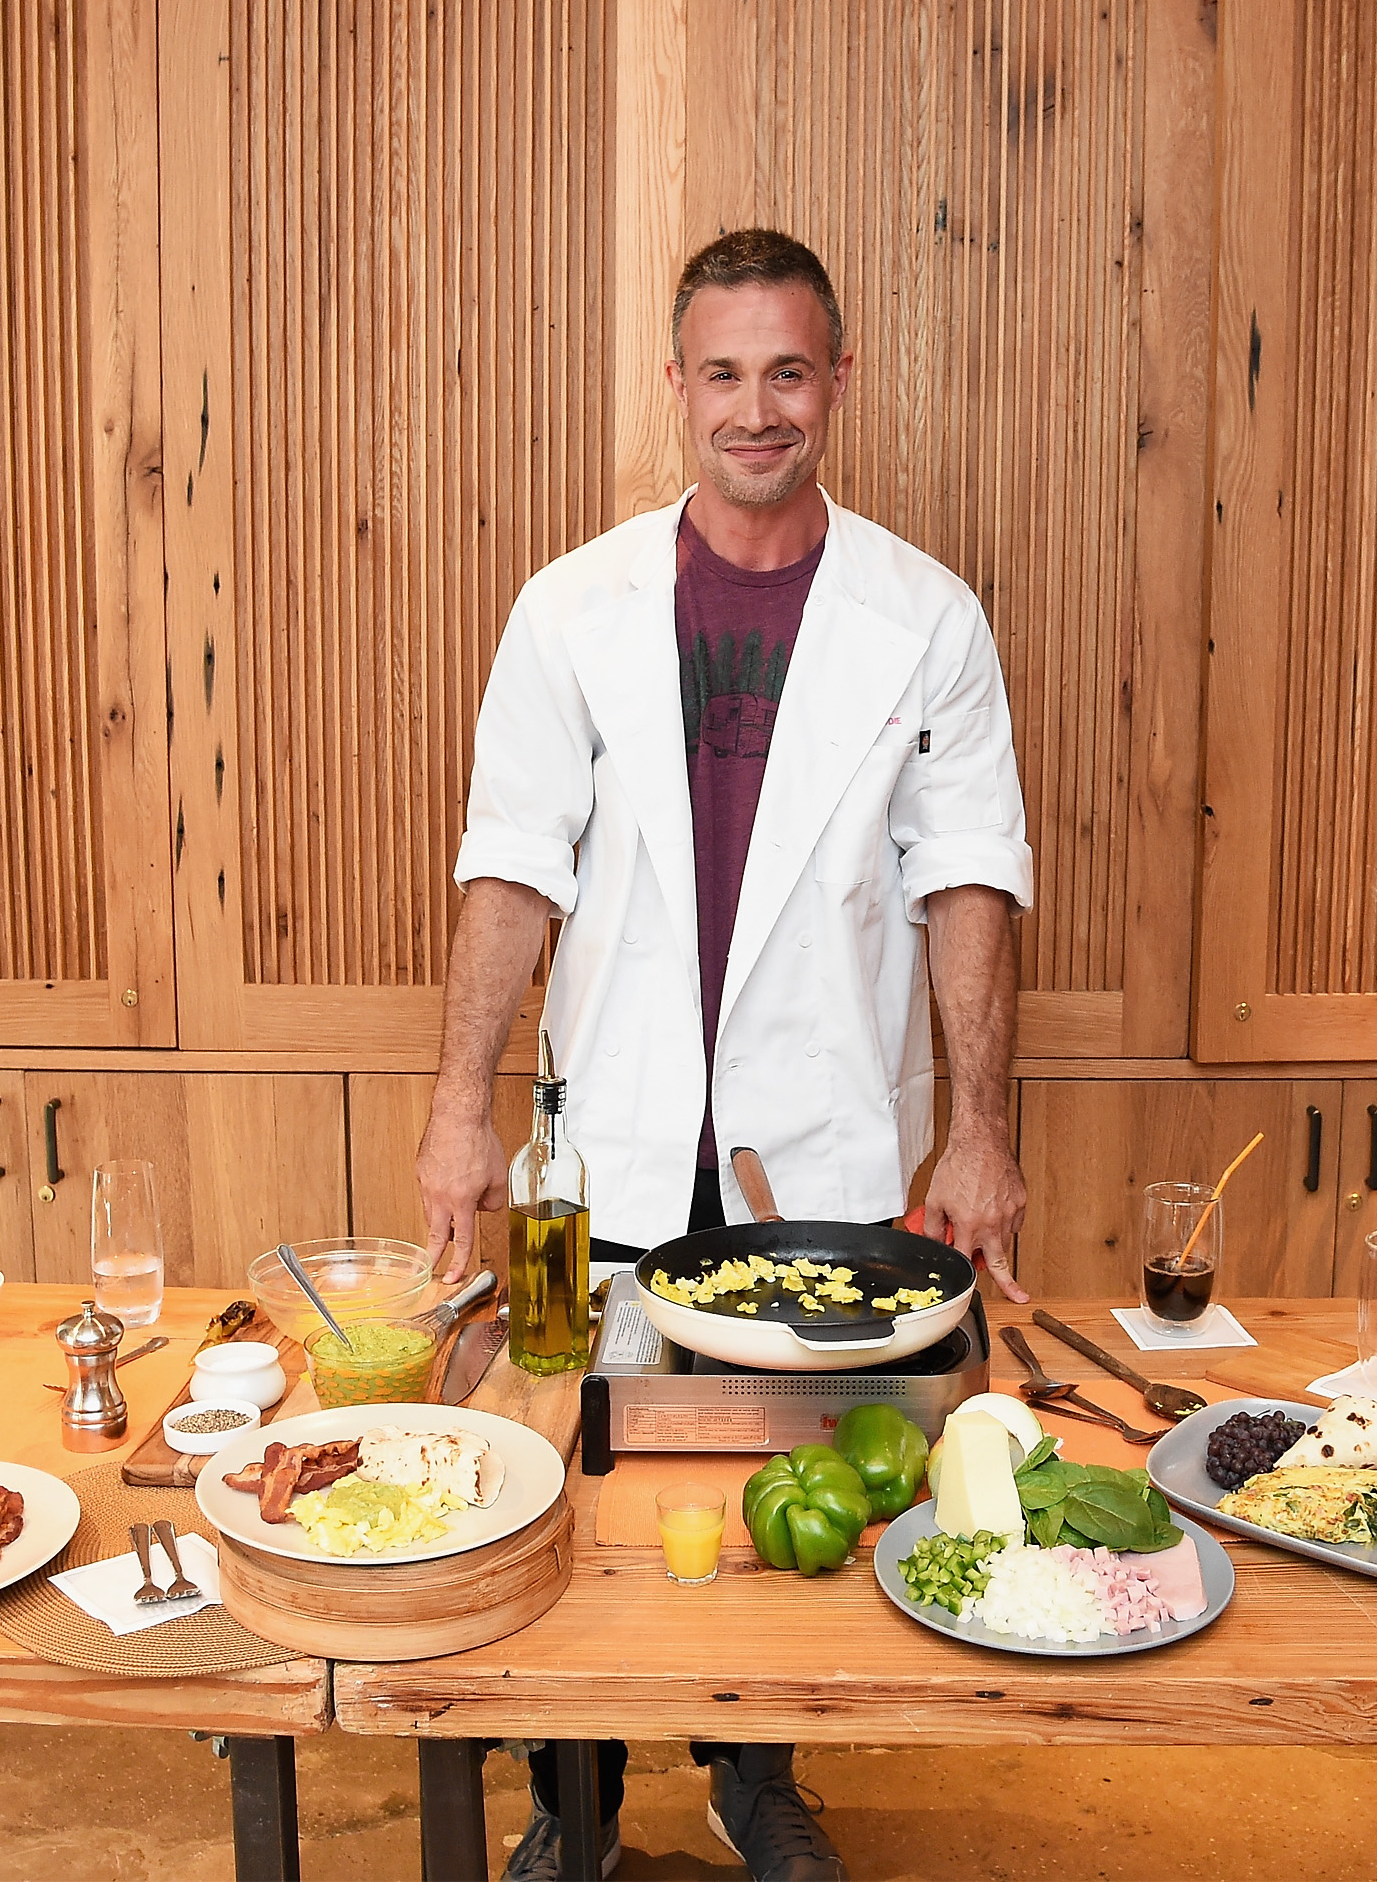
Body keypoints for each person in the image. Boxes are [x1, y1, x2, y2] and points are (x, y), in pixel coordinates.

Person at [417, 227, 1036, 1882]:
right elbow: (509, 863)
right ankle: (577, 1790)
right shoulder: (574, 606)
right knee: (579, 1449)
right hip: (605, 1122)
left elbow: (969, 875)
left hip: (815, 1128)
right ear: (675, 384)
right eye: (722, 372)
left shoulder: (927, 618)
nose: (755, 408)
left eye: (787, 371)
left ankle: (759, 1770)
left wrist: (979, 1130)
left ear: (836, 381)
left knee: (791, 1456)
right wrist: (456, 1113)